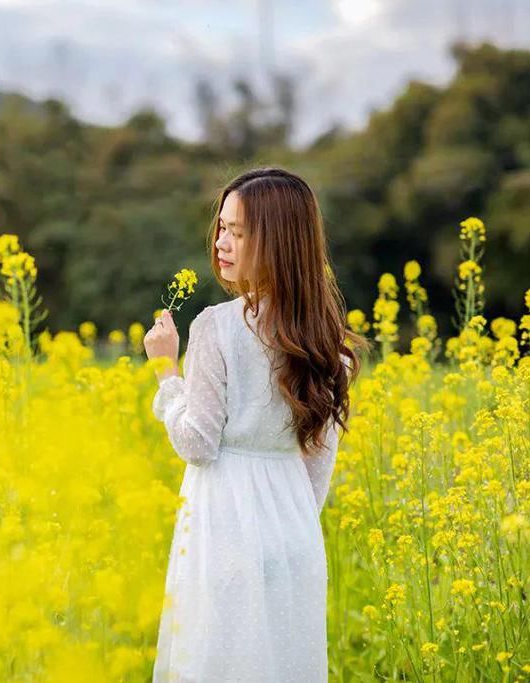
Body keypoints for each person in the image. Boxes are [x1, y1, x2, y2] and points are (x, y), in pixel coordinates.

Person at [142, 167, 368, 682]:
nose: (221, 242)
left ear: (278, 242)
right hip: (292, 527)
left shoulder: (216, 327)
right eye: (221, 227)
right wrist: (284, 521)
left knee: (216, 663)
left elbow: (196, 442)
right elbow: (318, 466)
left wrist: (166, 372)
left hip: (222, 519)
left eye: (238, 232)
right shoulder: (329, 343)